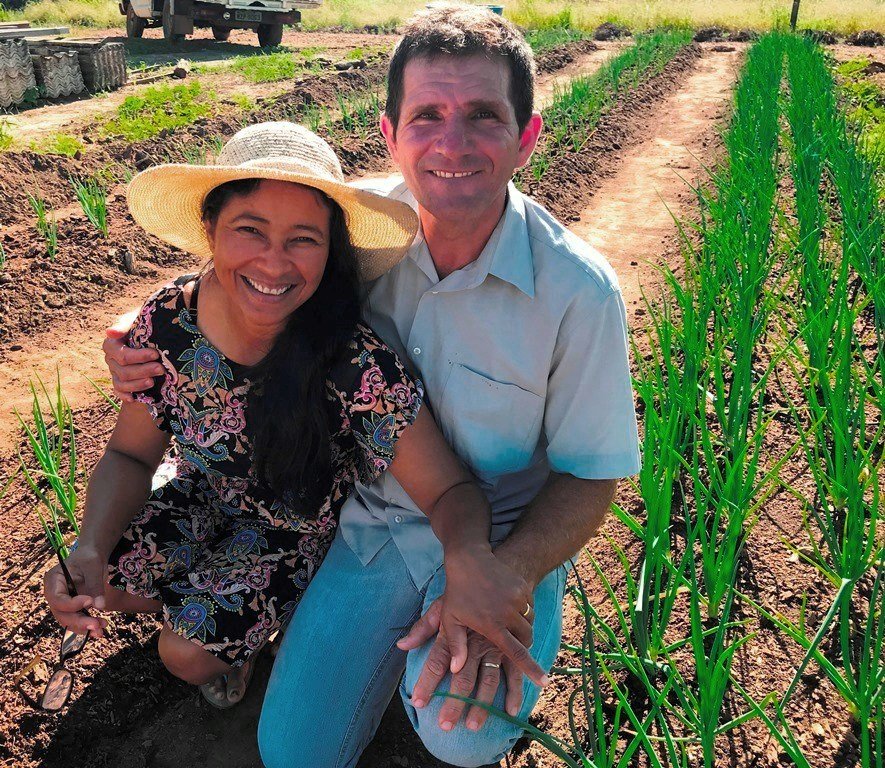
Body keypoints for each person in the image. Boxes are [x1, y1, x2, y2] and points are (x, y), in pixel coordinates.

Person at [104, 6, 641, 766]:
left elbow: (593, 472)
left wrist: (505, 573)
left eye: (483, 116)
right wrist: (137, 325)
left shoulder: (576, 293)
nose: (450, 143)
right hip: (368, 521)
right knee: (292, 755)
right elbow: (250, 265)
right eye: (426, 115)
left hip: (497, 531)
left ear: (526, 136)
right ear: (389, 134)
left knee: (463, 735)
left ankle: (477, 623)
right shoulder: (356, 233)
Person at [43, 121, 533, 711]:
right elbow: (128, 454)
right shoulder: (169, 326)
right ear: (211, 231)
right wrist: (91, 545)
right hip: (202, 493)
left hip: (291, 529)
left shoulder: (350, 361)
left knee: (184, 653)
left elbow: (450, 488)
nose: (274, 265)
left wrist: (469, 560)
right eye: (249, 230)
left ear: (332, 251)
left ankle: (262, 624)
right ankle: (209, 594)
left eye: (304, 239)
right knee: (98, 580)